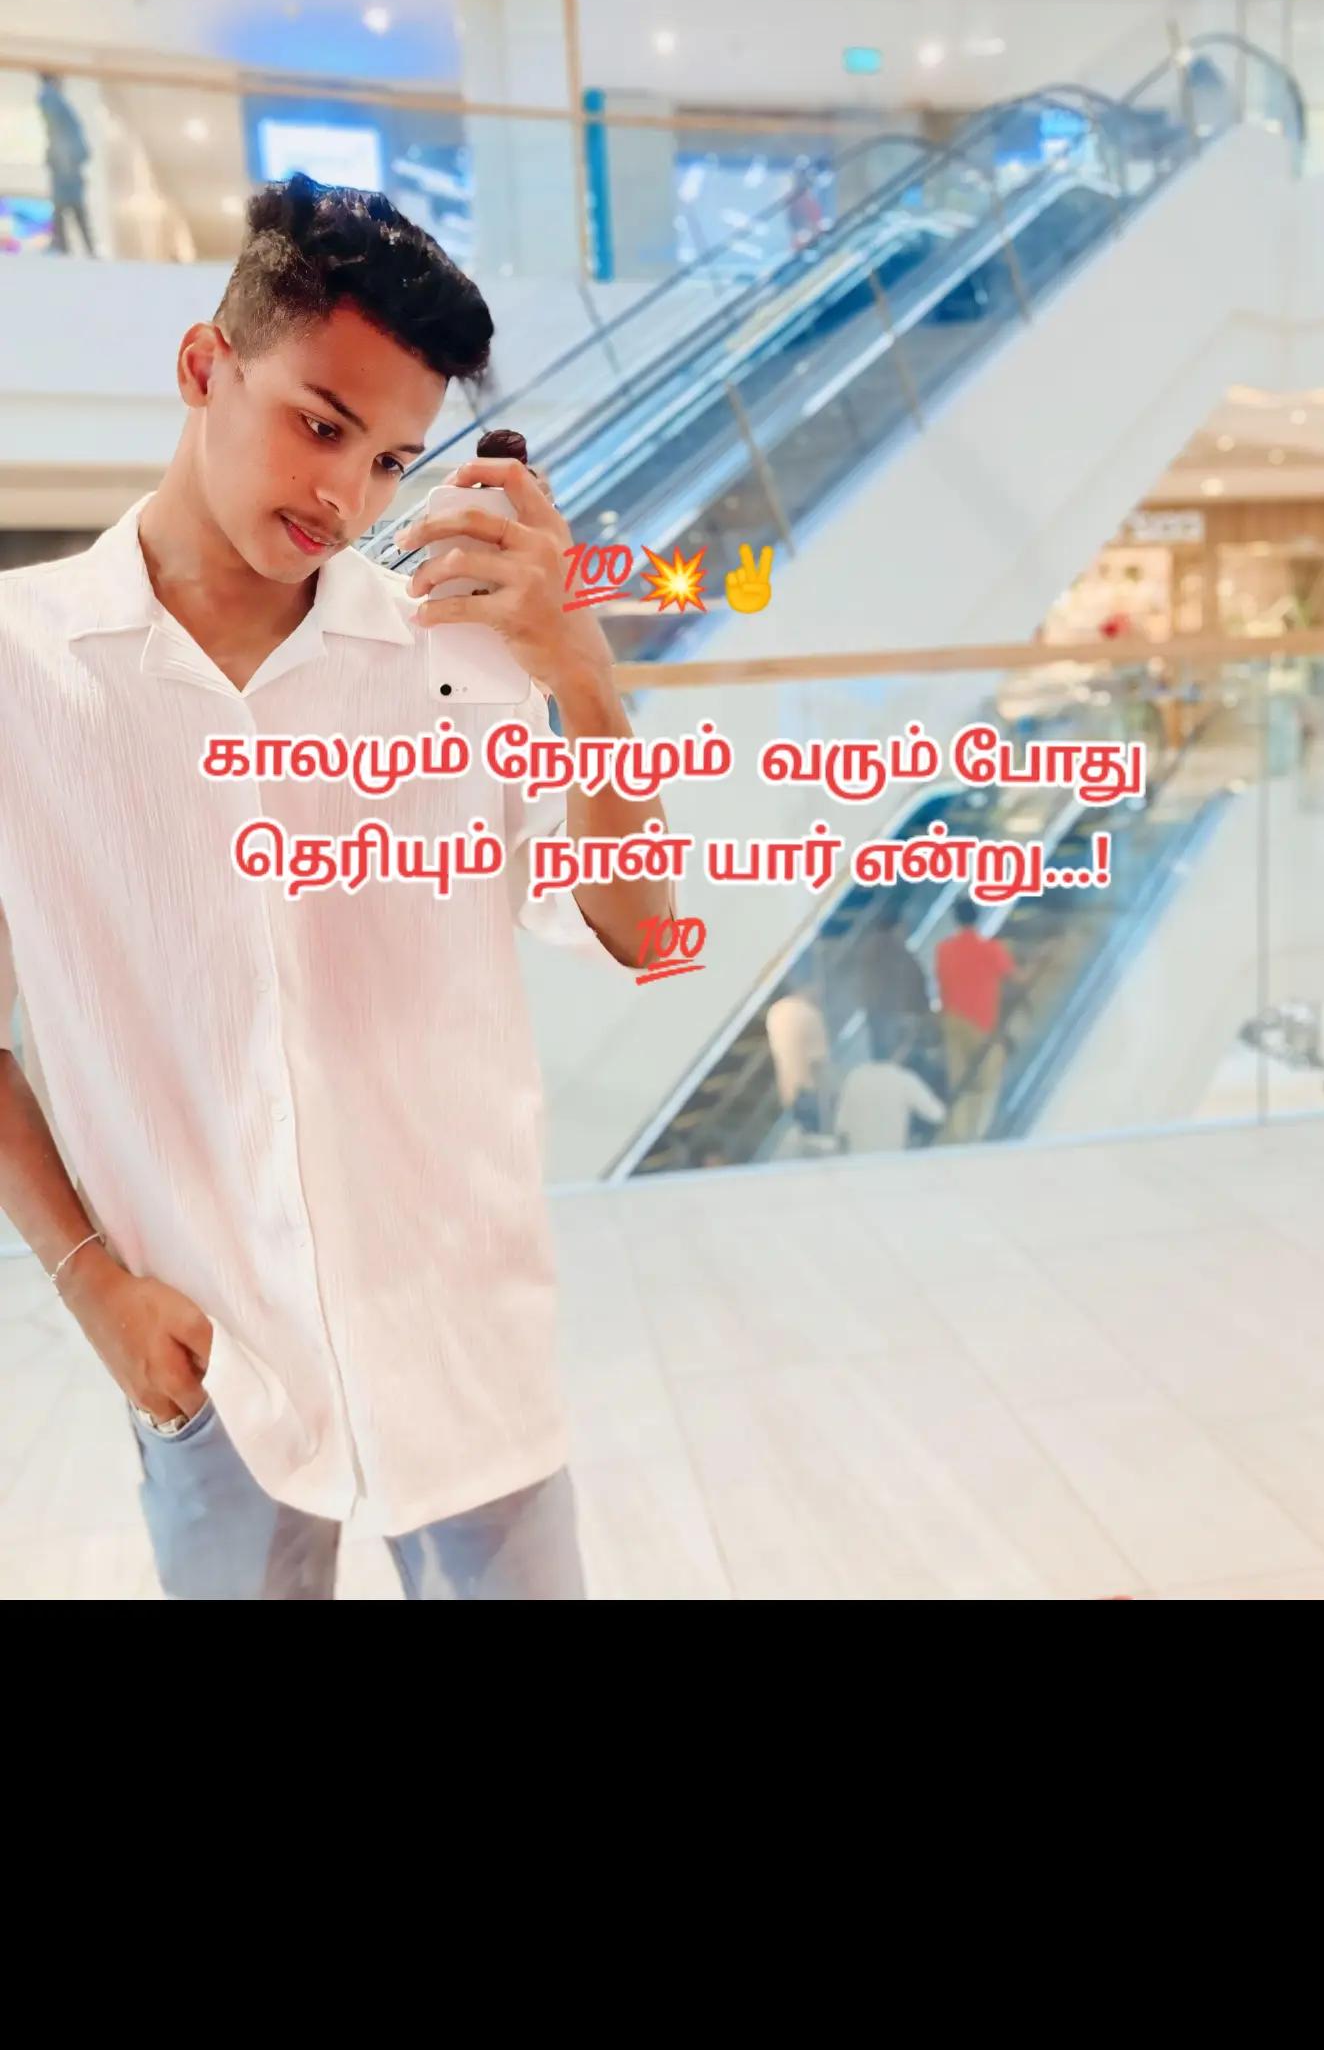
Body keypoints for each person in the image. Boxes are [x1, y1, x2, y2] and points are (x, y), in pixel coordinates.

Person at [0, 172, 678, 1602]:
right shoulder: (19, 672)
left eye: (391, 460)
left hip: (465, 1343)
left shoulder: (456, 658)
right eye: (320, 424)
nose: (345, 497)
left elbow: (642, 928)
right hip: (209, 1355)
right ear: (205, 364)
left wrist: (584, 682)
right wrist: (89, 1284)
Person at [934, 897, 1018, 1138]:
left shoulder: (943, 950)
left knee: (959, 1083)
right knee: (987, 1082)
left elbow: (941, 982)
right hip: (982, 1023)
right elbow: (1015, 978)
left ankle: (959, 1135)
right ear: (978, 917)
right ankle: (980, 1133)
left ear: (955, 920)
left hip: (952, 1021)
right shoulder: (990, 949)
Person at [852, 895, 944, 1092]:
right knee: (913, 1073)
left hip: (878, 1021)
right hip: (903, 1023)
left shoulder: (867, 953)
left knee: (886, 1069)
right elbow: (913, 986)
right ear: (897, 927)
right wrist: (924, 1015)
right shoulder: (897, 953)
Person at [834, 1017, 946, 1156]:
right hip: (892, 1165)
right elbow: (939, 1115)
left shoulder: (854, 1077)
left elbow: (841, 1130)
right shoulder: (904, 1080)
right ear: (902, 1049)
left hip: (858, 1165)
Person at [37, 73, 96, 256]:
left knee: (70, 208)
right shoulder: (51, 99)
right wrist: (65, 160)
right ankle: (66, 246)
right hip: (66, 164)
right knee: (68, 207)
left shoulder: (55, 101)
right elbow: (57, 131)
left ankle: (69, 246)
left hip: (67, 164)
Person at [765, 968, 831, 1126]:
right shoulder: (810, 1014)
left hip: (789, 1094)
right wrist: (831, 1097)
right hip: (812, 1094)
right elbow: (818, 1064)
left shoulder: (775, 1012)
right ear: (813, 984)